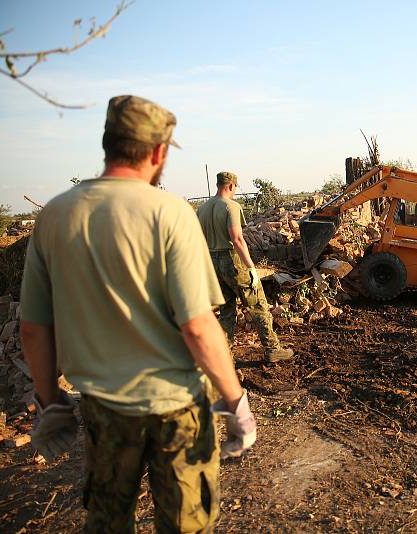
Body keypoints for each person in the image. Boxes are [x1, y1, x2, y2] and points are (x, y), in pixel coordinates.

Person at [20, 95, 257, 532]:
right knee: (185, 523)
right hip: (177, 410)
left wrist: (49, 401)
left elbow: (34, 329)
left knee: (109, 522)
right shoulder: (169, 213)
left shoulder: (55, 215)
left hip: (104, 410)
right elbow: (198, 327)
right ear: (159, 151)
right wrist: (236, 403)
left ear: (108, 143)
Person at [197, 172, 294, 362]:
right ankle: (272, 349)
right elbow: (238, 239)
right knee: (257, 303)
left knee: (226, 310)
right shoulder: (230, 207)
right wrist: (251, 268)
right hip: (231, 261)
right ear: (231, 186)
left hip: (212, 263)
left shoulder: (203, 208)